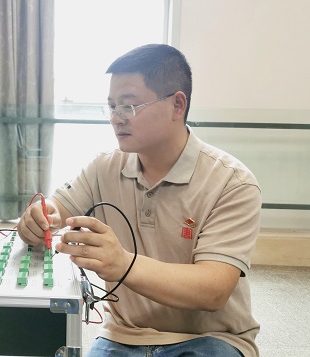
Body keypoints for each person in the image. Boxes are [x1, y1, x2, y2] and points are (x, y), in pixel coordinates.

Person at [17, 44, 261, 357]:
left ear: (177, 105)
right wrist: (37, 220)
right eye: (112, 107)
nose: (116, 119)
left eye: (129, 106)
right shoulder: (104, 167)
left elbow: (213, 290)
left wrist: (123, 263)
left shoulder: (231, 182)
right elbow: (55, 209)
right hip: (123, 337)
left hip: (209, 339)